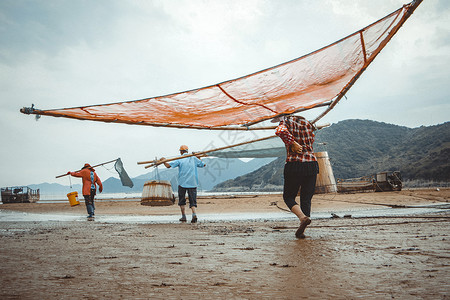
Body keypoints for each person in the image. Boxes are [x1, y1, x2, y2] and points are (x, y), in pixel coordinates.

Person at [275, 115, 319, 239]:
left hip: (294, 163)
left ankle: (302, 217)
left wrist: (292, 142)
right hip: (311, 163)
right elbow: (312, 138)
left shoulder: (286, 121)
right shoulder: (307, 122)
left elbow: (280, 130)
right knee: (306, 198)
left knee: (288, 197)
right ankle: (302, 229)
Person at [162, 145, 206, 223]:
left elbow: (168, 166)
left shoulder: (180, 159)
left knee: (182, 200)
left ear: (181, 152)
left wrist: (163, 161)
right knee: (193, 200)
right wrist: (198, 157)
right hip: (193, 182)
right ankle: (194, 214)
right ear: (187, 151)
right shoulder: (194, 158)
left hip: (182, 183)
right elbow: (203, 164)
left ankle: (183, 216)